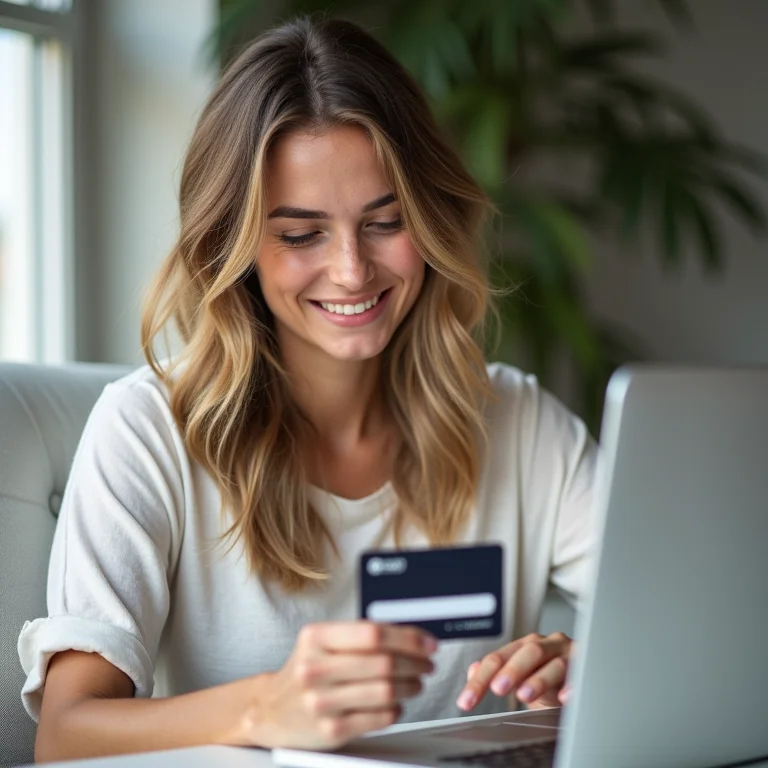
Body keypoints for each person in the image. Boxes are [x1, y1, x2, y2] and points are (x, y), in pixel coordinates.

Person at [18, 15, 597, 762]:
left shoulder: (520, 424)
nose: (353, 270)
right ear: (236, 243)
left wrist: (595, 665)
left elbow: (691, 623)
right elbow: (65, 738)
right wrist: (266, 706)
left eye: (386, 221)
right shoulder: (148, 432)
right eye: (300, 235)